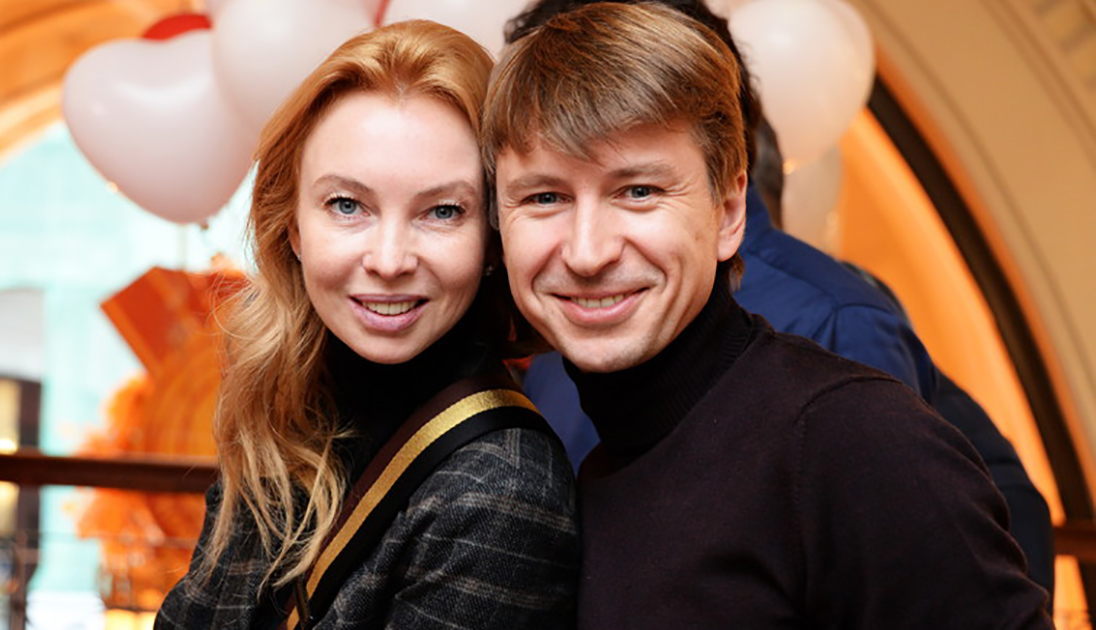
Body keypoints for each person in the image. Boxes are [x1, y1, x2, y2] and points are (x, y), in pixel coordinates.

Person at [483, 3, 1052, 627]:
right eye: (545, 197)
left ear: (729, 213)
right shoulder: (597, 461)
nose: (587, 252)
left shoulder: (850, 439)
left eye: (639, 191)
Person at [156, 20, 578, 630]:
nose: (388, 260)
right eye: (347, 205)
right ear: (293, 226)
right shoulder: (288, 412)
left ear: (492, 239)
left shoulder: (503, 489)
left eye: (442, 211)